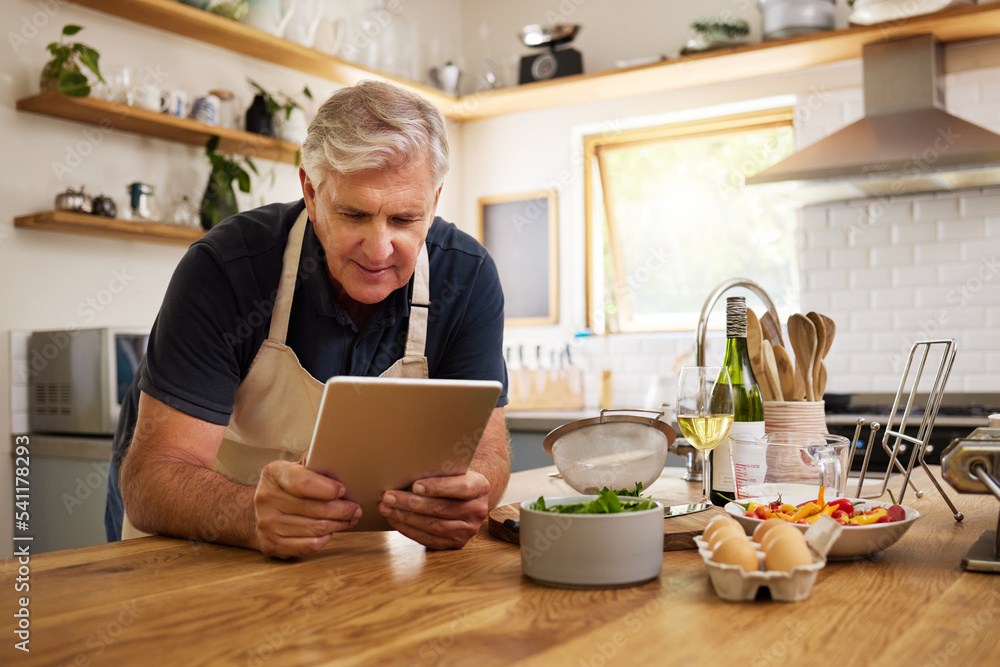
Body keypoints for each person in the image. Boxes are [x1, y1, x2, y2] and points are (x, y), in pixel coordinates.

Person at [105, 80, 509, 559]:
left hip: (348, 562)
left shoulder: (467, 278)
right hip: (201, 556)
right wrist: (248, 513)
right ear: (311, 194)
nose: (380, 250)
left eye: (404, 219)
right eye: (354, 215)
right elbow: (152, 476)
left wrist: (470, 491)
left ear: (434, 202)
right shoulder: (226, 270)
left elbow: (489, 450)